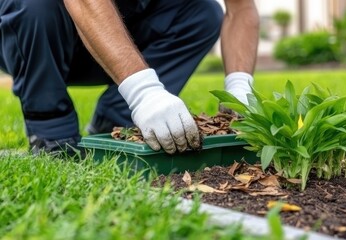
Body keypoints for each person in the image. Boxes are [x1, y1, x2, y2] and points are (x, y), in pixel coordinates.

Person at [0, 0, 259, 157]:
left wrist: (239, 87)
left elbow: (241, 9)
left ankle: (114, 123)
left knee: (202, 13)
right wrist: (143, 91)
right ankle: (52, 135)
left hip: (113, 41)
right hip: (34, 32)